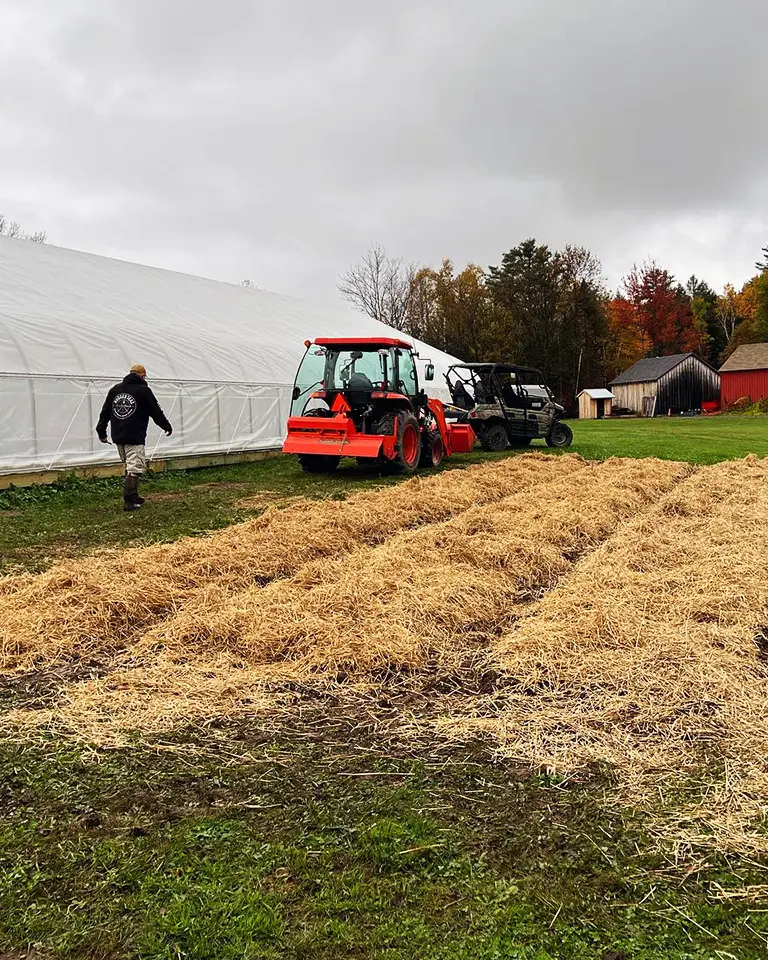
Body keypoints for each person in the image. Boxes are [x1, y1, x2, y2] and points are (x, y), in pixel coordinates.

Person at [96, 364, 173, 512]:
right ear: (142, 375)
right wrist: (166, 426)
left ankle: (135, 496)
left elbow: (105, 412)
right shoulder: (144, 391)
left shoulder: (115, 389)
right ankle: (129, 501)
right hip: (134, 436)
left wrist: (101, 431)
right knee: (134, 469)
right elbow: (155, 411)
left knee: (129, 465)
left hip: (118, 435)